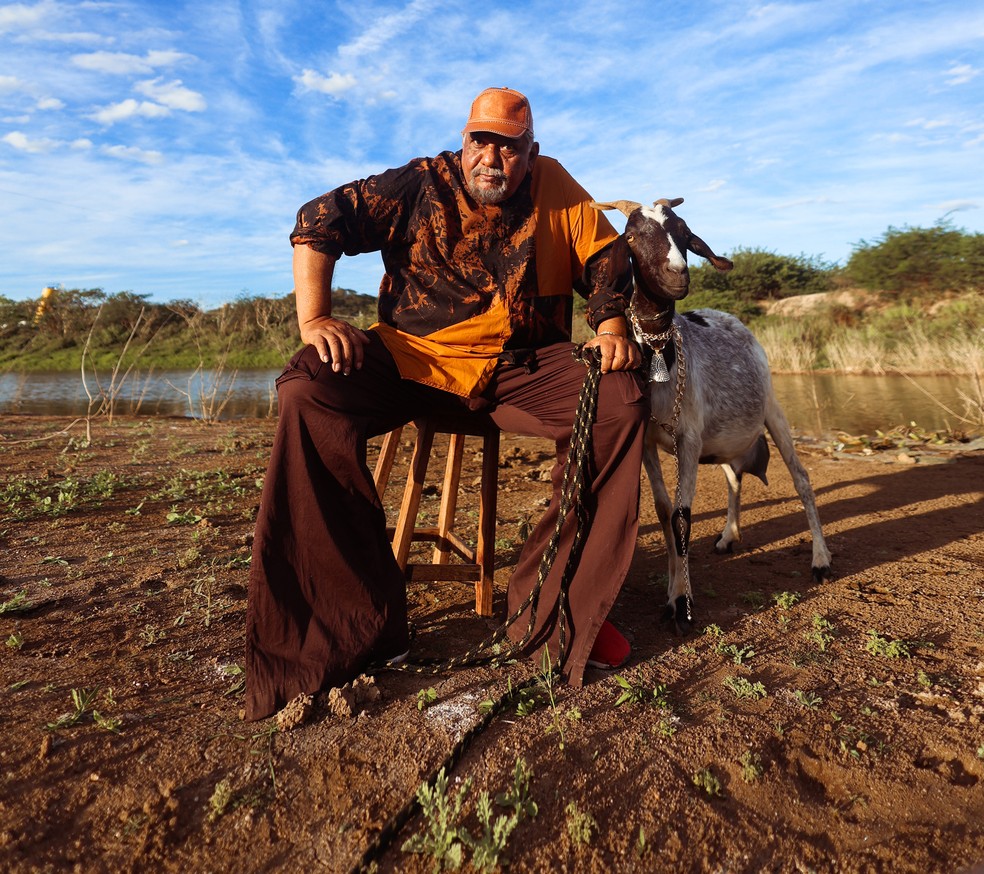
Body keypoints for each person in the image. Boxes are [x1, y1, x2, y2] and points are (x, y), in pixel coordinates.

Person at [245, 87, 648, 721]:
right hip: (412, 358)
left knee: (619, 402)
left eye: (508, 147)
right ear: (464, 142)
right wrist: (316, 317)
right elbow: (319, 218)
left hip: (519, 368)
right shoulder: (420, 182)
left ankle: (555, 615)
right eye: (479, 142)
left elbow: (606, 256)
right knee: (308, 388)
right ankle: (352, 627)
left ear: (531, 151)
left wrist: (611, 325)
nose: (492, 158)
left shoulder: (556, 186)